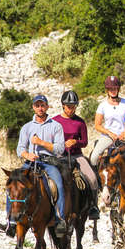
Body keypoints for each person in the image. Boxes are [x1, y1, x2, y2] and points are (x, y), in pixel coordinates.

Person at [0, 94, 67, 237]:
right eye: (37, 105)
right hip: (30, 162)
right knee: (12, 185)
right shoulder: (27, 127)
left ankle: (60, 219)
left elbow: (60, 149)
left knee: (58, 184)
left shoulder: (56, 126)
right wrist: (27, 155)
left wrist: (41, 143)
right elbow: (20, 148)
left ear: (47, 107)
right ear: (33, 107)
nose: (40, 108)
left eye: (42, 105)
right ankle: (11, 222)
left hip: (48, 162)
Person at [52, 90, 100, 220]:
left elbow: (84, 142)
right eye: (68, 107)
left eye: (73, 107)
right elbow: (50, 141)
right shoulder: (54, 122)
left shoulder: (80, 122)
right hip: (59, 157)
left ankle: (93, 206)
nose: (71, 110)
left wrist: (75, 142)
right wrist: (61, 144)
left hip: (77, 156)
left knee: (92, 178)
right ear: (63, 105)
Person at [89, 76, 125, 167]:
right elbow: (97, 125)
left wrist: (124, 134)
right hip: (108, 136)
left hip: (124, 135)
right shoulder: (102, 105)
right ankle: (97, 179)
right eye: (110, 88)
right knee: (93, 157)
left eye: (115, 88)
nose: (113, 90)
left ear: (118, 89)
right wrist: (110, 134)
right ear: (107, 90)